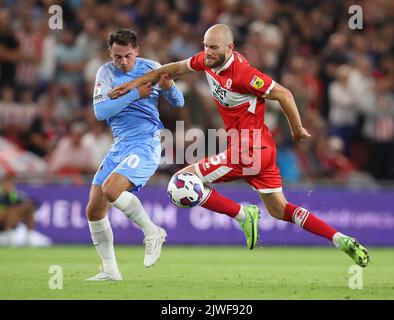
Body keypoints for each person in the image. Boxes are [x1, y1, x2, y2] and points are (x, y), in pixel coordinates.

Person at [109, 24, 370, 268]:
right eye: (205, 46)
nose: (207, 53)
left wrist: (296, 128)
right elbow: (171, 69)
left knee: (180, 180)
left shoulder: (244, 75)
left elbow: (284, 94)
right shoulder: (207, 61)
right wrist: (131, 85)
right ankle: (339, 238)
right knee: (280, 210)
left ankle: (243, 214)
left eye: (214, 48)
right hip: (261, 152)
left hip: (248, 152)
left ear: (230, 48)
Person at [86, 29, 185, 281]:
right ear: (110, 53)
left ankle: (152, 232)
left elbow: (179, 102)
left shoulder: (151, 68)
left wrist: (169, 87)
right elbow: (101, 111)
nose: (123, 62)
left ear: (137, 51)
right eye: (117, 56)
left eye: (127, 56)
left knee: (112, 191)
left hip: (145, 142)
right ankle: (110, 270)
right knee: (94, 210)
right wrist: (134, 94)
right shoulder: (105, 73)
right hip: (119, 145)